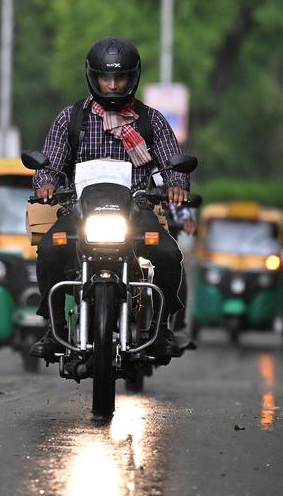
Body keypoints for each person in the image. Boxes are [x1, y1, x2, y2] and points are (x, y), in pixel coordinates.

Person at [29, 36, 195, 362]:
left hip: (136, 209)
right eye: (106, 78)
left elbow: (173, 162)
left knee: (167, 253)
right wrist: (46, 184)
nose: (113, 85)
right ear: (93, 77)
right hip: (79, 210)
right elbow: (50, 163)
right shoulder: (71, 118)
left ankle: (161, 330)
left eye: (120, 78)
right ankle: (54, 328)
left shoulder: (152, 121)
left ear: (133, 77)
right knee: (49, 250)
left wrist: (176, 185)